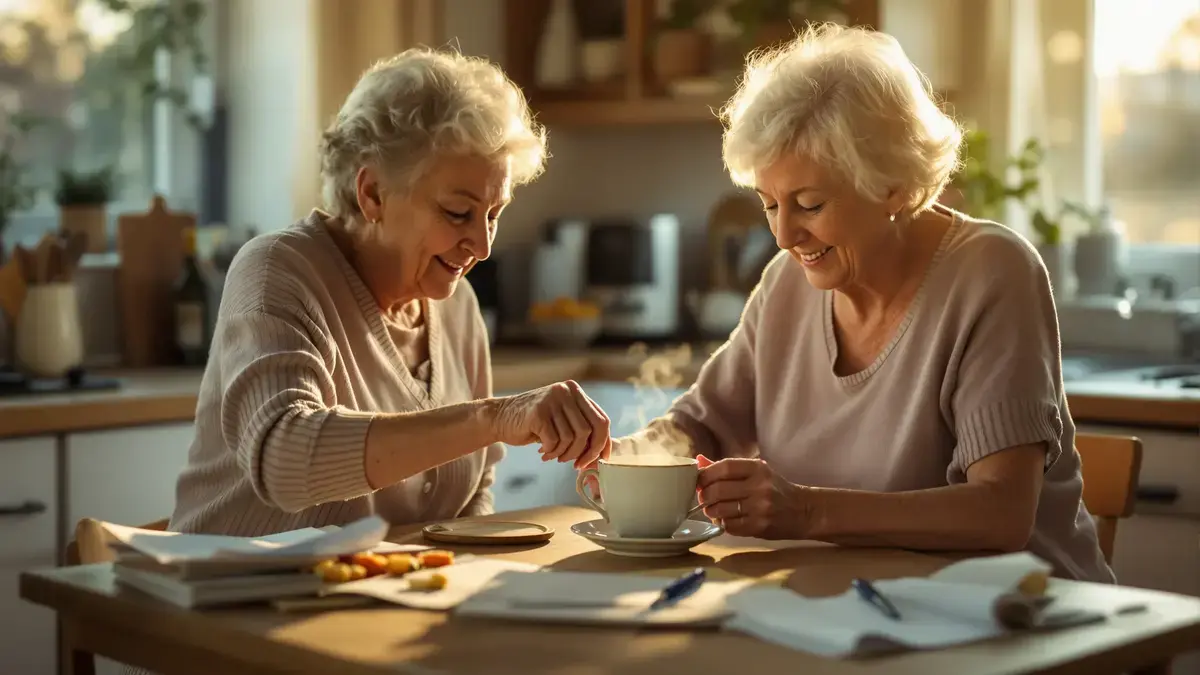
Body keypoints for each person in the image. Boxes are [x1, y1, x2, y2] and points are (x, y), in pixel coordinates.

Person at [604, 24, 1113, 583]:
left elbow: (1001, 512)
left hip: (1021, 620)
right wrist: (621, 459)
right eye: (770, 204)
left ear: (891, 186)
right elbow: (698, 427)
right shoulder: (785, 285)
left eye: (810, 204)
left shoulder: (991, 273)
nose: (784, 235)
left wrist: (806, 510)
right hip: (849, 610)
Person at [169, 48, 612, 537]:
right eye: (458, 213)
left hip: (370, 602)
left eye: (493, 214)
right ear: (373, 194)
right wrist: (494, 417)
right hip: (230, 600)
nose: (483, 246)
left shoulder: (458, 306)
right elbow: (285, 460)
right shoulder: (278, 270)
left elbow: (473, 491)